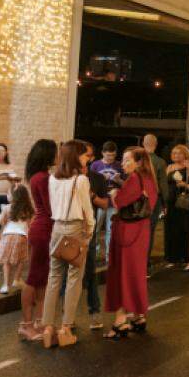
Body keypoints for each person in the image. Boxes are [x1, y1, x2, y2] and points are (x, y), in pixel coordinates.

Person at [39, 140, 95, 348]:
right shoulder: (80, 180)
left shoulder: (53, 178)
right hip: (75, 229)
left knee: (54, 277)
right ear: (75, 156)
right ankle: (65, 328)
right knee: (73, 279)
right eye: (83, 155)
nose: (85, 158)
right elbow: (87, 210)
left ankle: (47, 328)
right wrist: (90, 229)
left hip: (57, 228)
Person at [104, 146, 158, 339]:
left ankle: (120, 321)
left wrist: (113, 195)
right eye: (123, 160)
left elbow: (120, 201)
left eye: (128, 160)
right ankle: (138, 316)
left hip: (127, 232)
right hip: (141, 231)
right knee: (135, 273)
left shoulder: (135, 179)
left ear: (138, 162)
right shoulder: (149, 179)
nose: (124, 164)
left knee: (122, 274)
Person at [20, 139, 58, 343]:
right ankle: (26, 325)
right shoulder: (43, 178)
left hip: (42, 229)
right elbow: (51, 208)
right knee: (34, 278)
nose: (57, 156)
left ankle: (39, 320)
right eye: (55, 152)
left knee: (42, 278)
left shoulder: (36, 176)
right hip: (44, 230)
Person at [81, 141, 110, 329]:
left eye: (89, 155)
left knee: (90, 270)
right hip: (68, 230)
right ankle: (65, 317)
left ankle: (94, 311)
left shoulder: (97, 178)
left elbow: (105, 204)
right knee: (65, 275)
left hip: (88, 230)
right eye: (84, 155)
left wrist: (91, 196)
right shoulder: (65, 177)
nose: (87, 159)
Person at [0, 184, 32, 295]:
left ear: (13, 197)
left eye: (8, 193)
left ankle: (6, 285)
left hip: (8, 236)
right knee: (21, 259)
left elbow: (0, 221)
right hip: (22, 237)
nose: (7, 195)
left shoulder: (7, 208)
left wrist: (6, 222)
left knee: (6, 261)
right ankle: (17, 279)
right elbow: (30, 225)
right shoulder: (28, 209)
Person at [90, 142, 124, 256]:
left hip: (113, 202)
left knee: (111, 229)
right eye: (108, 155)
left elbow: (125, 185)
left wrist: (118, 180)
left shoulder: (119, 165)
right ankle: (93, 253)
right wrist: (101, 179)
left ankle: (109, 256)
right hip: (99, 201)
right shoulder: (95, 165)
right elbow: (89, 184)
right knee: (95, 228)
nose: (111, 158)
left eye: (113, 155)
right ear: (102, 153)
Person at [164, 144, 189, 264]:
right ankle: (172, 255)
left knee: (183, 227)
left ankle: (185, 254)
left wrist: (188, 170)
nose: (176, 155)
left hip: (183, 201)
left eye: (179, 153)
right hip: (171, 201)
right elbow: (164, 184)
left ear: (185, 154)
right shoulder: (170, 167)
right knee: (171, 228)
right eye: (174, 153)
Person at [144, 134, 169, 269]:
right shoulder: (160, 162)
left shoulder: (136, 160)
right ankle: (145, 260)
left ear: (143, 143)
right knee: (149, 230)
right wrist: (166, 203)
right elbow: (163, 185)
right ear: (156, 144)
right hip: (153, 200)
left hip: (137, 199)